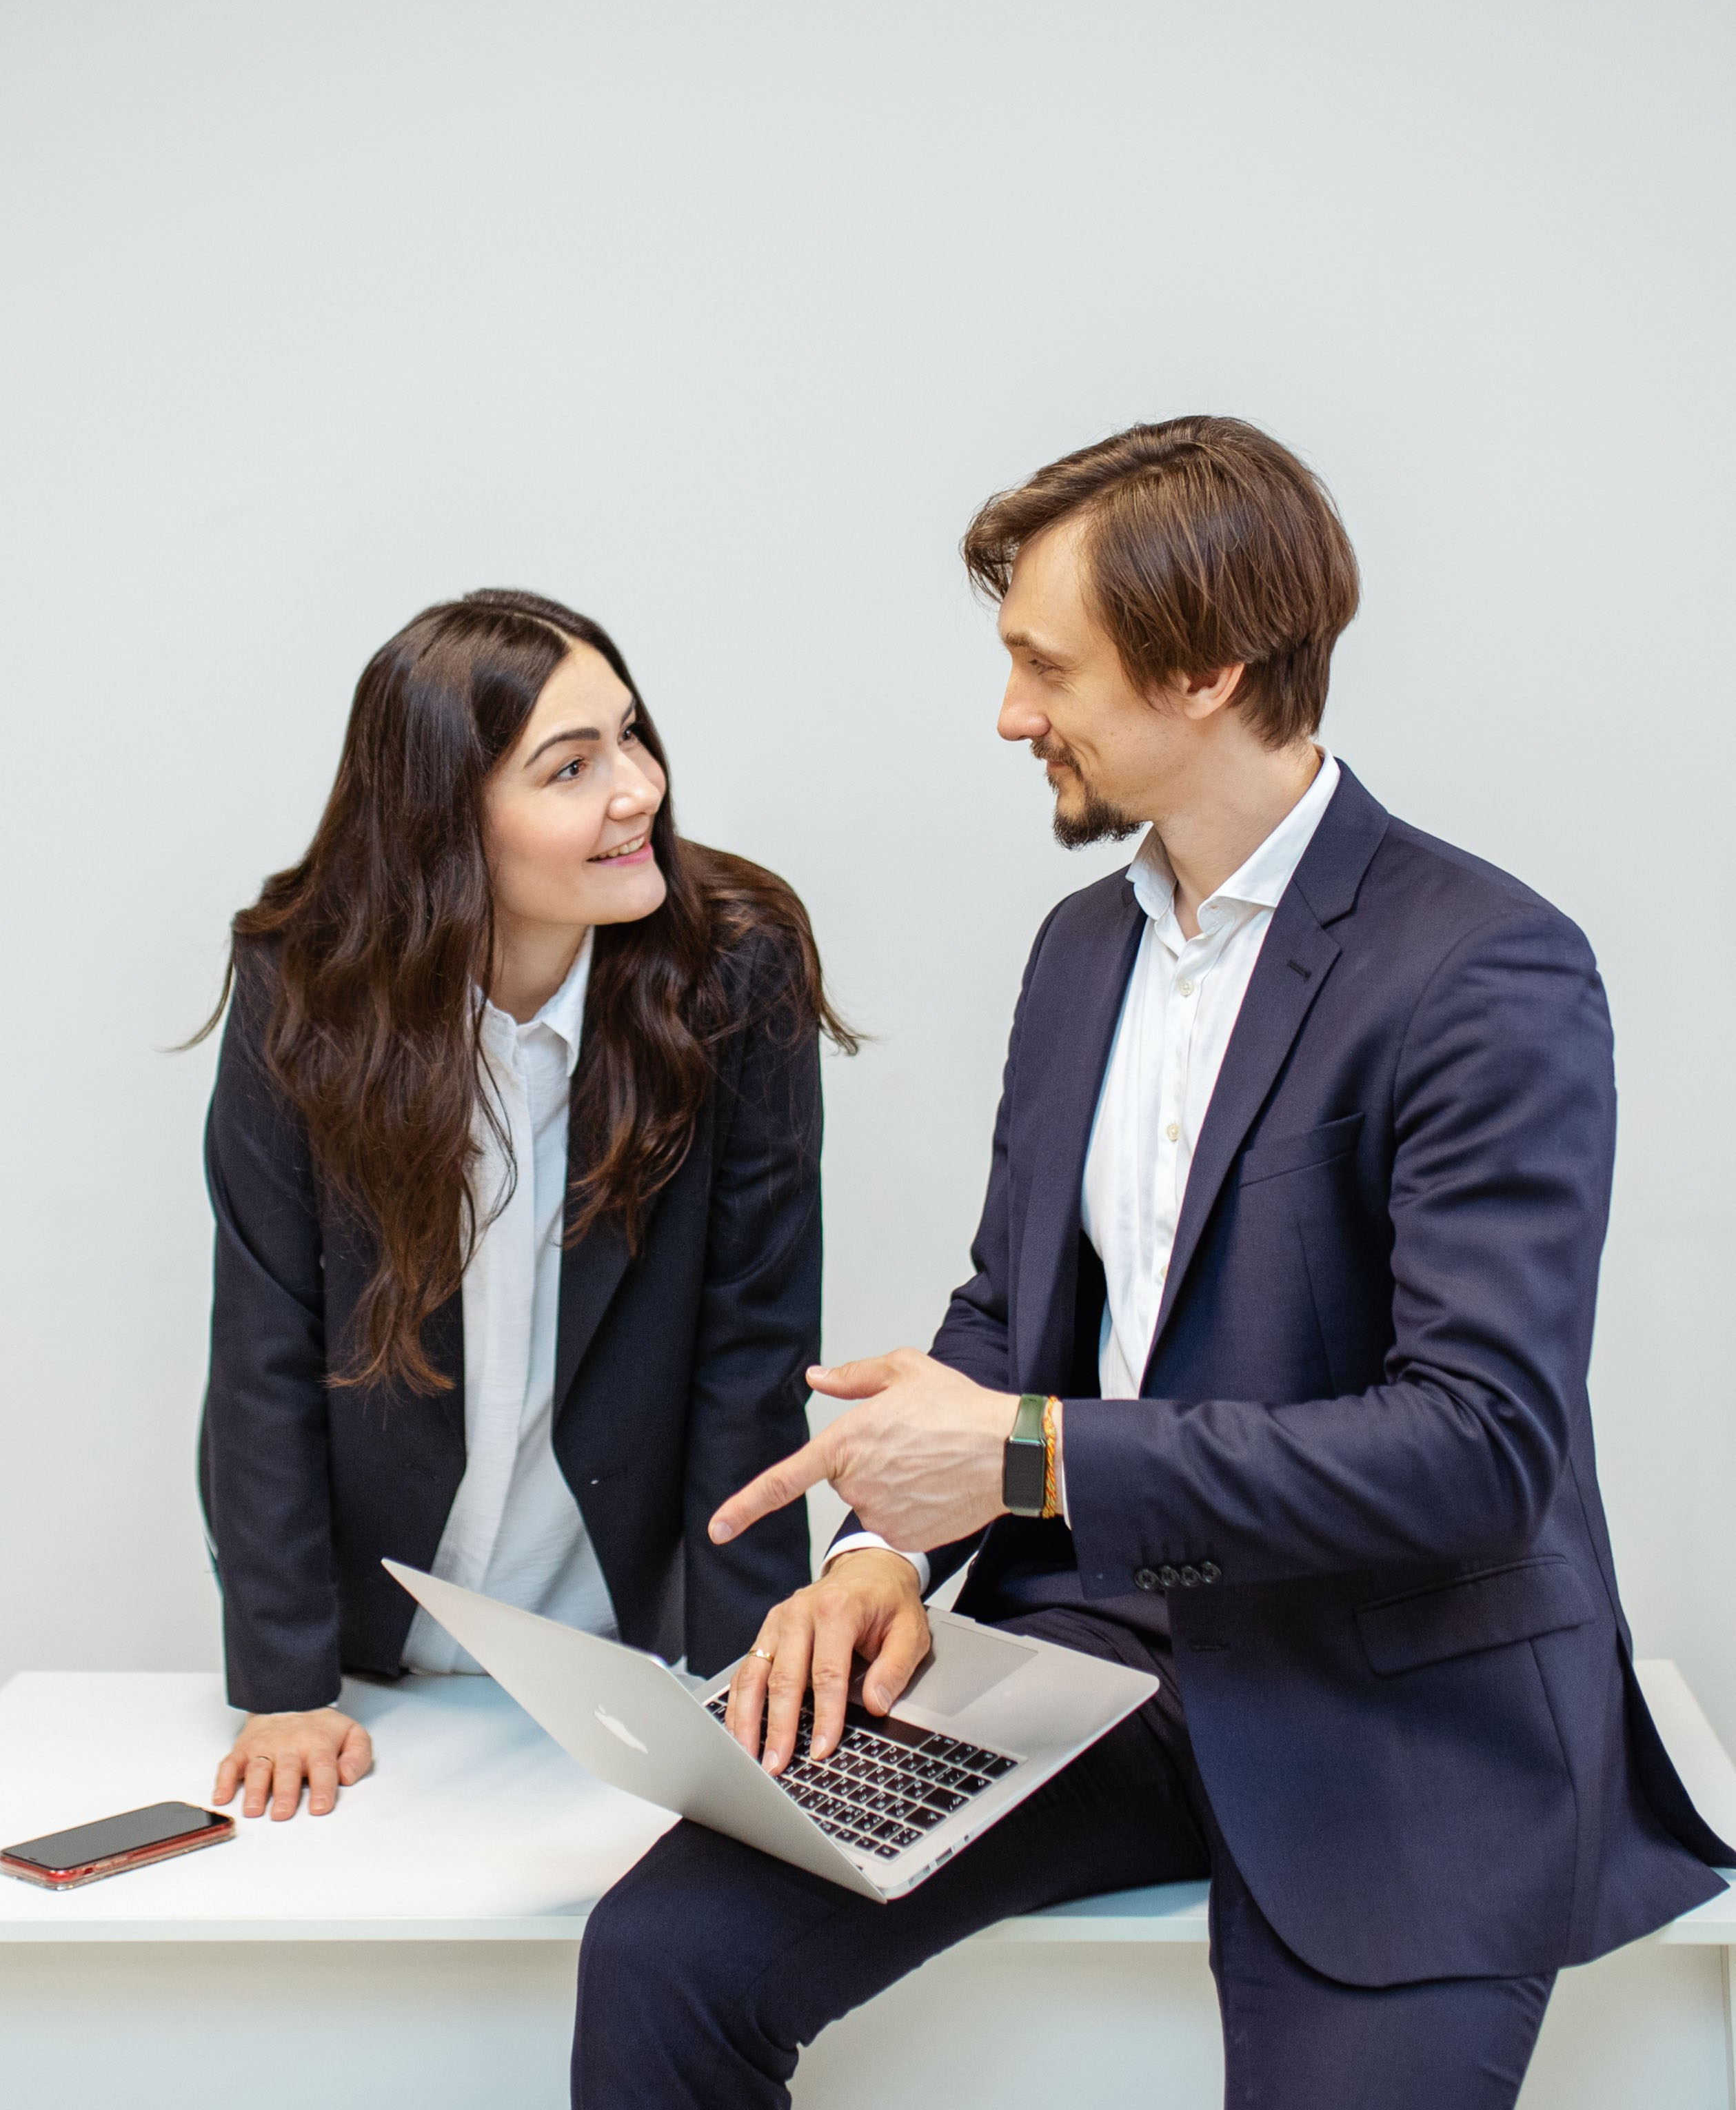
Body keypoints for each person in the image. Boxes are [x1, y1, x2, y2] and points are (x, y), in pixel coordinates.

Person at [572, 419, 1731, 2110]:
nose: (1008, 712)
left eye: (1045, 665)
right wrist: (888, 1545)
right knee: (664, 1960)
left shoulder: (1486, 968)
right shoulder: (1080, 949)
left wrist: (1021, 1458)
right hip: (1096, 1655)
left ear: (1205, 669)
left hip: (1396, 1717)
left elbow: (1479, 1449)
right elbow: (1011, 1310)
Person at [198, 589, 849, 1824]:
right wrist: (285, 1685)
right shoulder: (303, 985)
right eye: (570, 766)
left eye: (631, 736)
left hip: (625, 1629)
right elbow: (265, 1346)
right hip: (377, 1642)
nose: (638, 788)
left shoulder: (735, 966)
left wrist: (747, 1666)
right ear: (444, 823)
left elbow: (753, 1344)